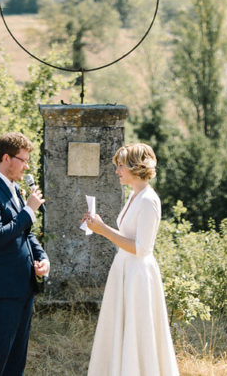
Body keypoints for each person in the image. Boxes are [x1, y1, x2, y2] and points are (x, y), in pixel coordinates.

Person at [81, 142, 180, 376]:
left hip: (138, 275)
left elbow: (142, 249)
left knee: (138, 331)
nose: (117, 171)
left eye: (121, 166)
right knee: (121, 329)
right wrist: (98, 225)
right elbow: (126, 235)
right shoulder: (135, 196)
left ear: (136, 166)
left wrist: (104, 230)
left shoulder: (148, 200)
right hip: (124, 269)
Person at [0, 131, 50, 376]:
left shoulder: (15, 189)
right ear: (6, 158)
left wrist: (43, 258)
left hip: (24, 285)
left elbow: (25, 233)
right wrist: (28, 210)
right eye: (23, 160)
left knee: (18, 358)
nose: (27, 166)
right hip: (3, 287)